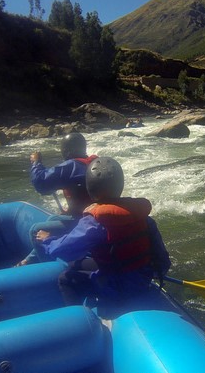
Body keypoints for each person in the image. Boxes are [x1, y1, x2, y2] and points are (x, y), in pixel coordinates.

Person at [36, 156, 171, 310]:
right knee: (75, 264)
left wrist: (47, 240)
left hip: (117, 287)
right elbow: (163, 260)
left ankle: (82, 320)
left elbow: (61, 251)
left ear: (90, 189)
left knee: (65, 279)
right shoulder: (143, 217)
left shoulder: (94, 222)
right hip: (141, 280)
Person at [18, 132, 98, 266]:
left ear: (66, 151)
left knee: (35, 230)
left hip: (84, 221)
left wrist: (36, 162)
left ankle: (48, 267)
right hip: (90, 216)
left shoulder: (71, 166)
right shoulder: (94, 163)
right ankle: (29, 260)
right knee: (52, 219)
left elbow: (41, 183)